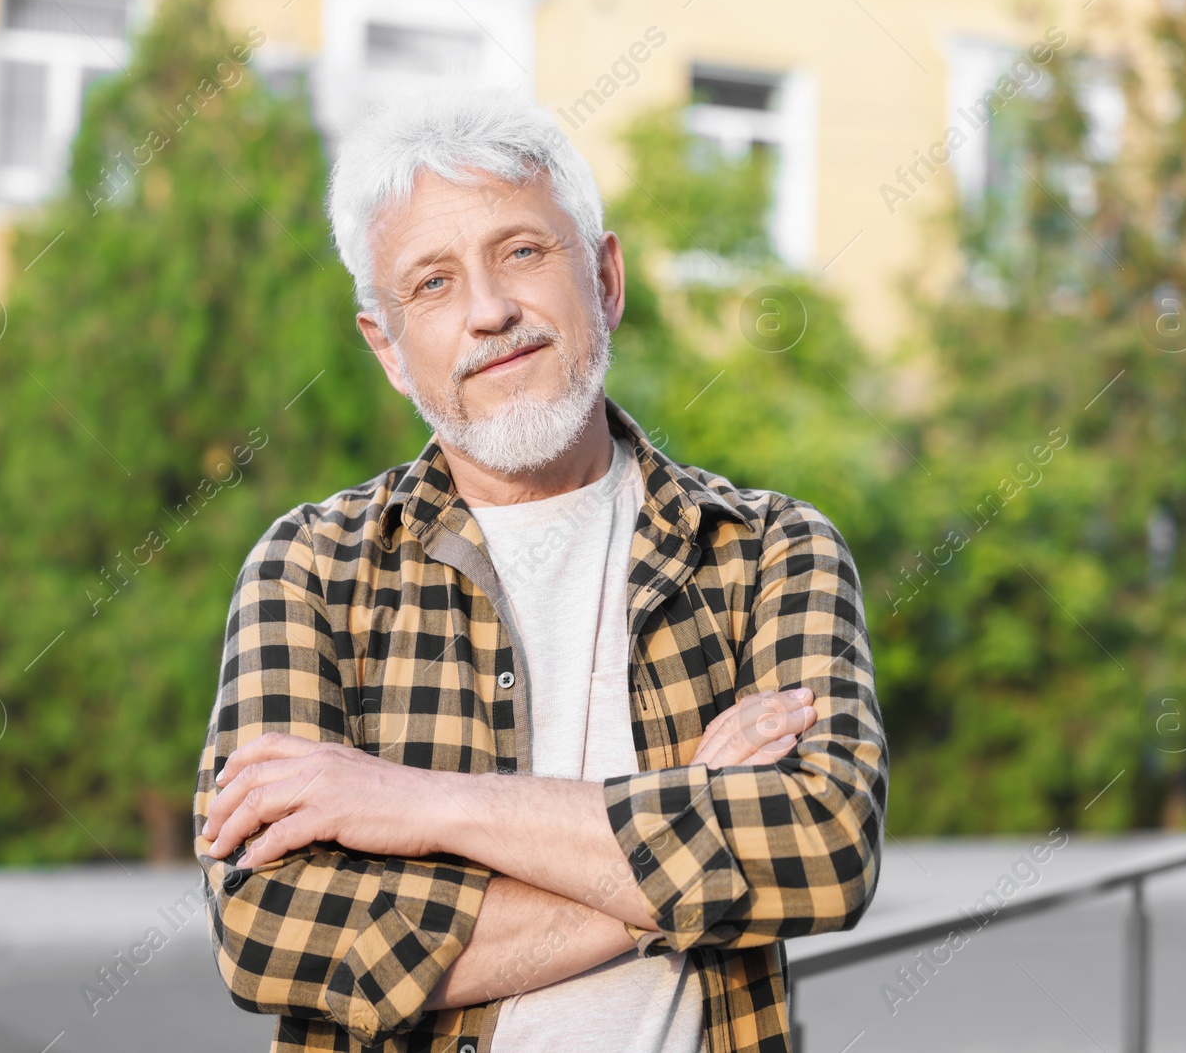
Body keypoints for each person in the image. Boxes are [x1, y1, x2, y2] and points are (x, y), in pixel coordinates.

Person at [192, 75, 887, 1053]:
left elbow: (819, 848)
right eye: (430, 282)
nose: (487, 310)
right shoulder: (310, 569)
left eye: (520, 250)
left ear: (603, 278)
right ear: (388, 349)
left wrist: (417, 804)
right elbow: (273, 934)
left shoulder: (768, 550)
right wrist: (687, 826)